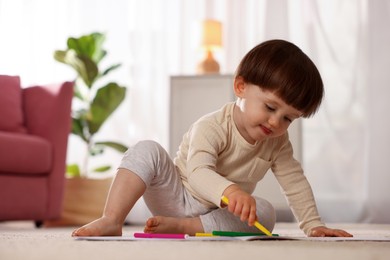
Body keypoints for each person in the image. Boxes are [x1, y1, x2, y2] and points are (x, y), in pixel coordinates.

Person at [72, 39, 352, 238]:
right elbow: (197, 172)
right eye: (269, 107)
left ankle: (185, 228)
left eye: (289, 118)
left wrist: (313, 224)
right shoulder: (213, 126)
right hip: (177, 195)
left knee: (265, 214)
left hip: (215, 214)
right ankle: (111, 219)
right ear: (241, 87)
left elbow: (294, 181)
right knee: (147, 150)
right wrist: (231, 192)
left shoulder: (277, 142)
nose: (275, 122)